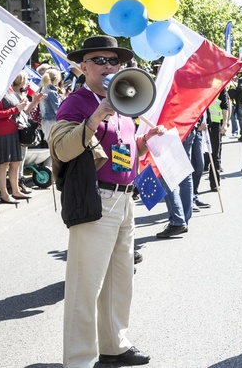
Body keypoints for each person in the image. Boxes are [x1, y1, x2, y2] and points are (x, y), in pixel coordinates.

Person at [49, 36, 165, 367]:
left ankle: (114, 344)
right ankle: (79, 358)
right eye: (100, 61)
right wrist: (98, 114)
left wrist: (142, 144)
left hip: (124, 201)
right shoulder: (77, 103)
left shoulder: (123, 102)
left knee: (119, 279)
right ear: (83, 66)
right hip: (97, 200)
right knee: (86, 287)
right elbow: (62, 149)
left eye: (114, 61)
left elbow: (119, 152)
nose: (109, 67)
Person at [0, 70, 45, 205]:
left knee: (16, 162)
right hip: (2, 132)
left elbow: (23, 112)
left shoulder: (10, 90)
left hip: (14, 130)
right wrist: (16, 109)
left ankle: (15, 190)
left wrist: (34, 102)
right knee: (3, 164)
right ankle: (4, 194)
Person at [39, 67, 64, 141]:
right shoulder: (52, 92)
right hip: (53, 122)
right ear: (56, 79)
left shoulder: (44, 89)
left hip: (45, 122)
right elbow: (57, 109)